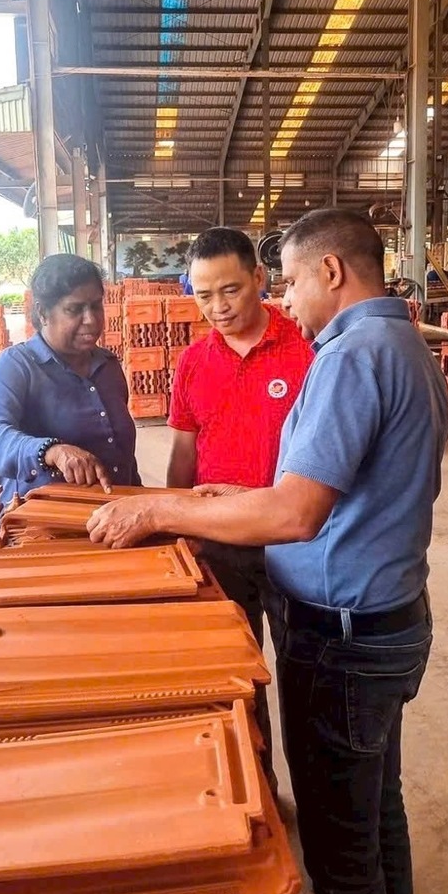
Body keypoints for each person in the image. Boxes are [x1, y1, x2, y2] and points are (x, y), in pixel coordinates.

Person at [88, 208, 448, 894]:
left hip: (342, 636)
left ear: (331, 271)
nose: (286, 299)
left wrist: (161, 508)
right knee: (378, 812)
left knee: (338, 849)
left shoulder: (347, 357)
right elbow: (335, 489)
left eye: (287, 281)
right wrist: (218, 497)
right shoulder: (405, 345)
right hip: (390, 618)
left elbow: (294, 513)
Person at [168, 226, 312, 784]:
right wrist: (178, 528)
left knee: (302, 680)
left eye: (230, 290)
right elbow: (183, 454)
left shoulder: (306, 348)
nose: (218, 308)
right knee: (235, 679)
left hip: (296, 544)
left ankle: (316, 803)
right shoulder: (194, 363)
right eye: (203, 295)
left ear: (259, 278)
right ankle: (261, 792)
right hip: (221, 545)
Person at [0, 253, 141, 506]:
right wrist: (52, 452)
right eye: (74, 309)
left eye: (96, 306)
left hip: (115, 515)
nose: (91, 320)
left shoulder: (108, 366)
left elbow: (124, 457)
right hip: (43, 521)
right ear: (43, 313)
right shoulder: (17, 366)